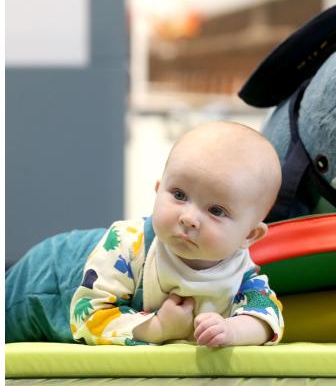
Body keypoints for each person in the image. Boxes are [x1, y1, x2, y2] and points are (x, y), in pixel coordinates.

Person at [6, 121, 283, 347]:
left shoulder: (240, 273)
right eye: (179, 194)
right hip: (48, 281)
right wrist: (158, 327)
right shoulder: (127, 244)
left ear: (249, 236)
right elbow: (89, 314)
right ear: (158, 188)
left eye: (216, 210)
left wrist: (232, 330)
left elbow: (266, 317)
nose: (189, 218)